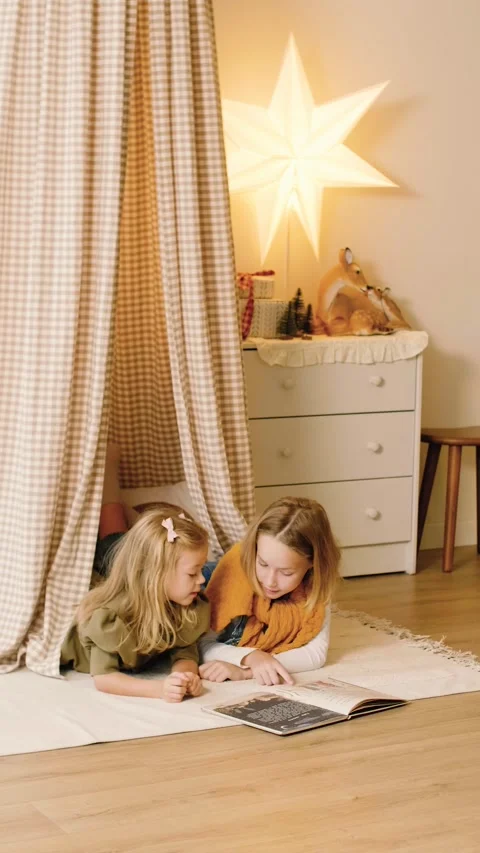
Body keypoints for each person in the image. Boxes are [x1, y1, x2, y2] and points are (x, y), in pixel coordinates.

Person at [61, 448, 210, 703]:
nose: (202, 579)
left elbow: (185, 653)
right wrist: (158, 690)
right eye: (193, 573)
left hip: (127, 562)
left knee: (115, 541)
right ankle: (105, 474)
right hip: (97, 577)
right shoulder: (110, 618)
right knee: (108, 543)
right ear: (155, 576)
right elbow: (104, 677)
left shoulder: (185, 606)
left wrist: (185, 677)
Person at [199, 497, 340, 687]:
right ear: (254, 550)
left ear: (312, 565)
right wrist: (252, 657)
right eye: (263, 564)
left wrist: (247, 671)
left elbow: (315, 654)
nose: (270, 581)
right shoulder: (231, 576)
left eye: (286, 572)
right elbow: (200, 645)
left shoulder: (316, 585)